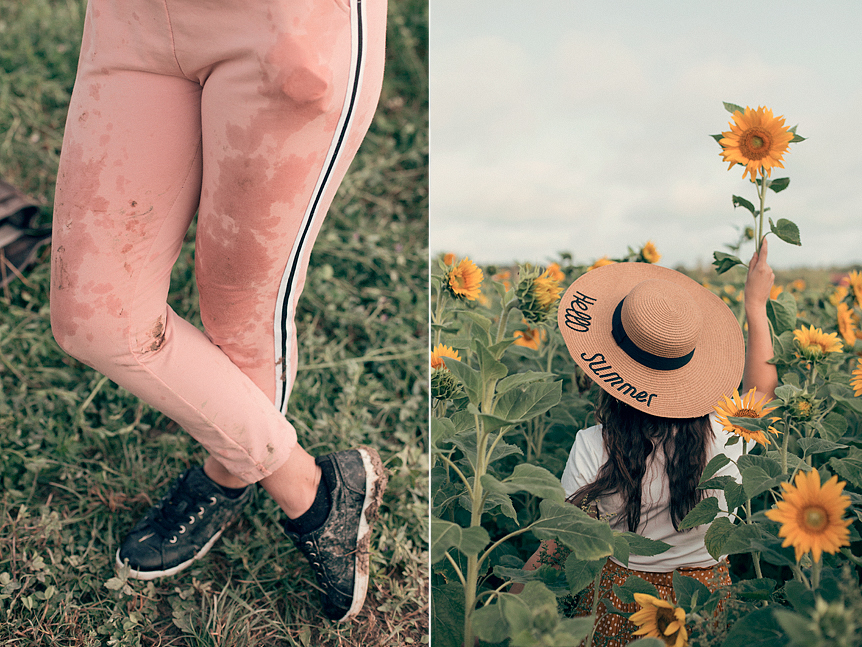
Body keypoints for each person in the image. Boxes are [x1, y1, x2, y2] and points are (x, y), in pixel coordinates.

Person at [49, 0, 388, 622]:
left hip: (283, 28)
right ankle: (306, 486)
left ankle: (228, 472)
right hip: (134, 23)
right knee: (94, 316)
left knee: (241, 319)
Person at [515, 241, 777, 645]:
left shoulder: (593, 446)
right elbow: (762, 393)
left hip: (624, 603)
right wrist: (756, 306)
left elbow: (559, 543)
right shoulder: (727, 435)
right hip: (706, 605)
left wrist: (502, 611)